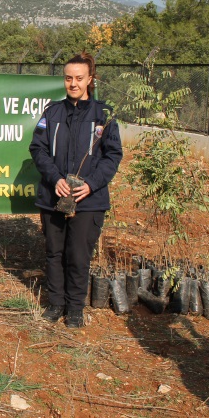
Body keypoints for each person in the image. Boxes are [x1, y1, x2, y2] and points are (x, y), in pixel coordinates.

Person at [28, 52, 123, 328]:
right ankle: (56, 304)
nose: (73, 84)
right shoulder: (52, 112)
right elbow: (38, 148)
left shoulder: (104, 115)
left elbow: (112, 155)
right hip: (54, 197)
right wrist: (55, 178)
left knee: (78, 256)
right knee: (54, 253)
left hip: (89, 201)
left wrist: (91, 184)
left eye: (79, 78)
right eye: (68, 78)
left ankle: (75, 308)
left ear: (90, 79)